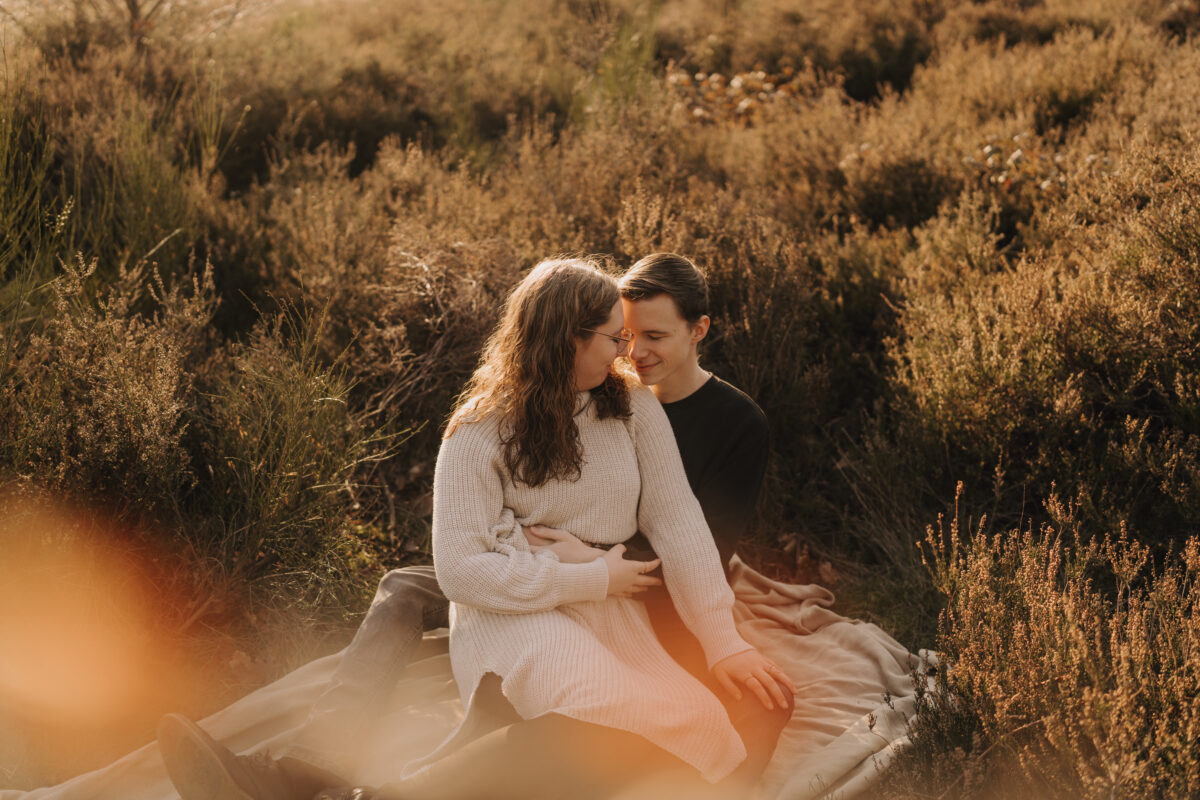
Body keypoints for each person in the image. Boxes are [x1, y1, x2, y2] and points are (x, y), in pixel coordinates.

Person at [158, 256, 793, 800]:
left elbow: (682, 524)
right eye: (612, 337)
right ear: (564, 341)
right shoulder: (481, 427)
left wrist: (722, 640)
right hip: (517, 608)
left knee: (681, 721)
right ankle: (307, 777)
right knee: (594, 702)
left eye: (634, 337)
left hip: (607, 605)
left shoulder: (632, 404)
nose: (626, 351)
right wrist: (587, 574)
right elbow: (462, 570)